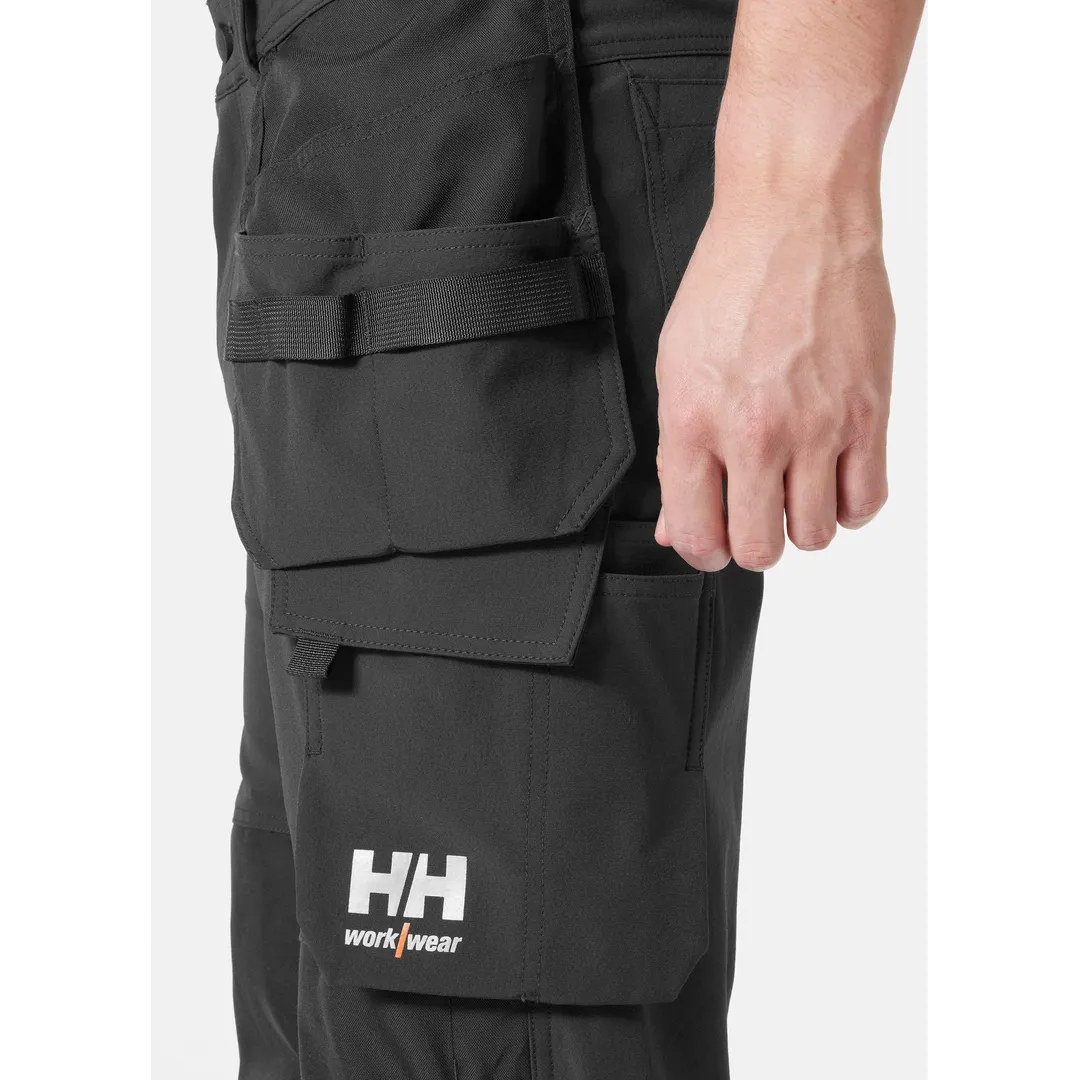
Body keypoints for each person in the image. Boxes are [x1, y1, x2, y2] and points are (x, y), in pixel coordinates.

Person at [207, 0, 923, 1077]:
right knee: (336, 1000)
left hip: (521, 122)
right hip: (328, 141)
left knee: (479, 1006)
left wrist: (799, 199)